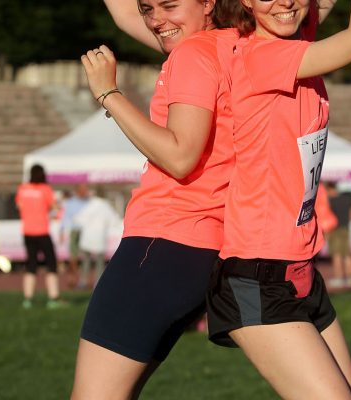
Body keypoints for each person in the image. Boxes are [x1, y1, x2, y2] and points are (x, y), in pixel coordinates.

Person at [206, 1, 351, 399]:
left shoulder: (297, 35)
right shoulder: (261, 54)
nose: (285, 1)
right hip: (255, 276)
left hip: (300, 271)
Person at [71, 0, 247, 398]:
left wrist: (108, 93)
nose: (156, 20)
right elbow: (125, 14)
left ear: (209, 3)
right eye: (148, 8)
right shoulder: (237, 46)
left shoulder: (193, 53)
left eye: (168, 5)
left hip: (161, 245)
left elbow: (180, 156)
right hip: (202, 251)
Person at [15, 164, 64, 310]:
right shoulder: (45, 189)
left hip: (27, 232)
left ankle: (28, 299)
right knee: (51, 264)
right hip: (42, 231)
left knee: (31, 264)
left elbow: (19, 206)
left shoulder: (23, 189)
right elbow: (56, 209)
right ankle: (53, 297)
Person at [72, 188, 122, 289]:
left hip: (87, 237)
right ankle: (98, 282)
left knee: (86, 261)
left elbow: (78, 219)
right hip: (100, 238)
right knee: (99, 263)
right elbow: (114, 221)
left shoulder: (90, 205)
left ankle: (83, 281)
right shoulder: (106, 206)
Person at [327, 182, 351, 288]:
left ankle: (339, 278)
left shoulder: (330, 201)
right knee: (347, 254)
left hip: (335, 229)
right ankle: (350, 278)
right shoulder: (347, 199)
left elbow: (325, 216)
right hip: (346, 228)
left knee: (337, 255)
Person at [59, 183, 90, 288]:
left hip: (86, 231)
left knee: (86, 256)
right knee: (73, 258)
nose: (85, 192)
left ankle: (83, 280)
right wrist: (62, 231)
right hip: (75, 231)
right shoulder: (71, 203)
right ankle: (72, 279)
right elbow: (65, 218)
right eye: (83, 189)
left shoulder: (89, 202)